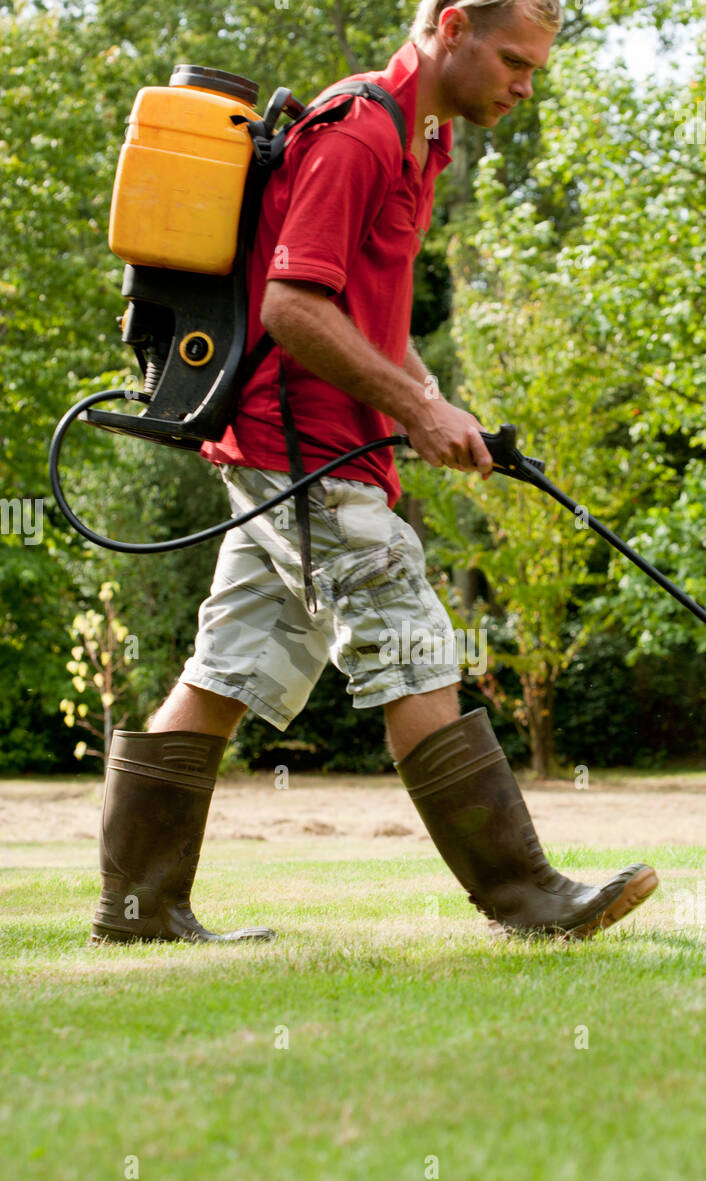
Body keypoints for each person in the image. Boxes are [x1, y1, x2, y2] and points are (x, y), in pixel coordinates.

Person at [90, 0, 659, 946]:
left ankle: (137, 908)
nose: (525, 85)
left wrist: (434, 397)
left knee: (229, 668)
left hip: (298, 451)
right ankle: (528, 898)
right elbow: (291, 308)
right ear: (451, 25)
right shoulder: (360, 132)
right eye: (514, 61)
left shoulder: (418, 142)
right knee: (412, 641)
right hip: (304, 451)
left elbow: (363, 314)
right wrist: (416, 410)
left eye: (535, 69)